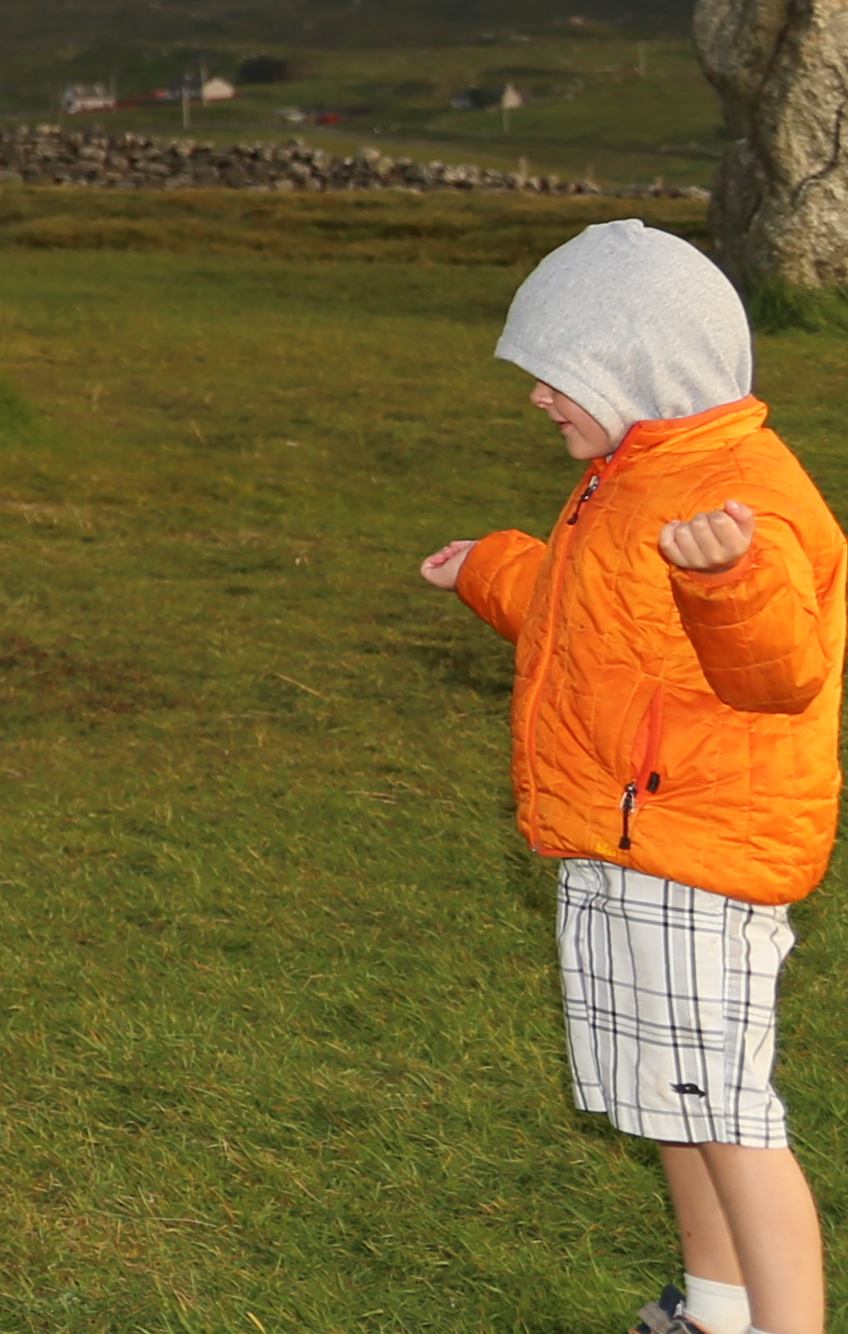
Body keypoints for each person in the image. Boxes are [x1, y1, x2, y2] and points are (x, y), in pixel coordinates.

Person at [422, 220, 844, 1334]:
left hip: (699, 858)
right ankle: (715, 1306)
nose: (539, 399)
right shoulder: (629, 478)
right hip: (620, 845)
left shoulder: (739, 494)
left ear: (634, 365)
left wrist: (733, 580)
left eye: (556, 376)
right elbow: (584, 628)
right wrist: (493, 571)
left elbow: (783, 674)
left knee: (730, 1117)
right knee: (670, 1099)